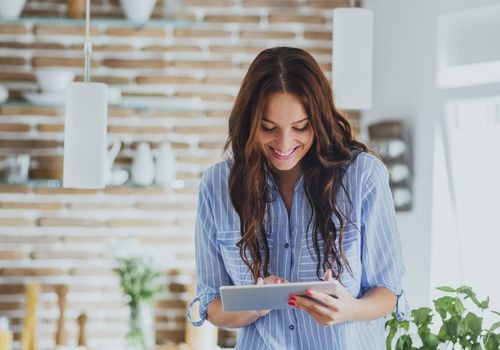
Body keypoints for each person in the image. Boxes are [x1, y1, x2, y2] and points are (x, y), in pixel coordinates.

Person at [187, 47, 407, 349]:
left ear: (319, 119)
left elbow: (388, 290)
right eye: (268, 128)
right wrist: (256, 302)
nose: (285, 143)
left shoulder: (363, 176)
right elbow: (212, 305)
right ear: (250, 123)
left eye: (300, 127)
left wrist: (349, 309)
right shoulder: (217, 185)